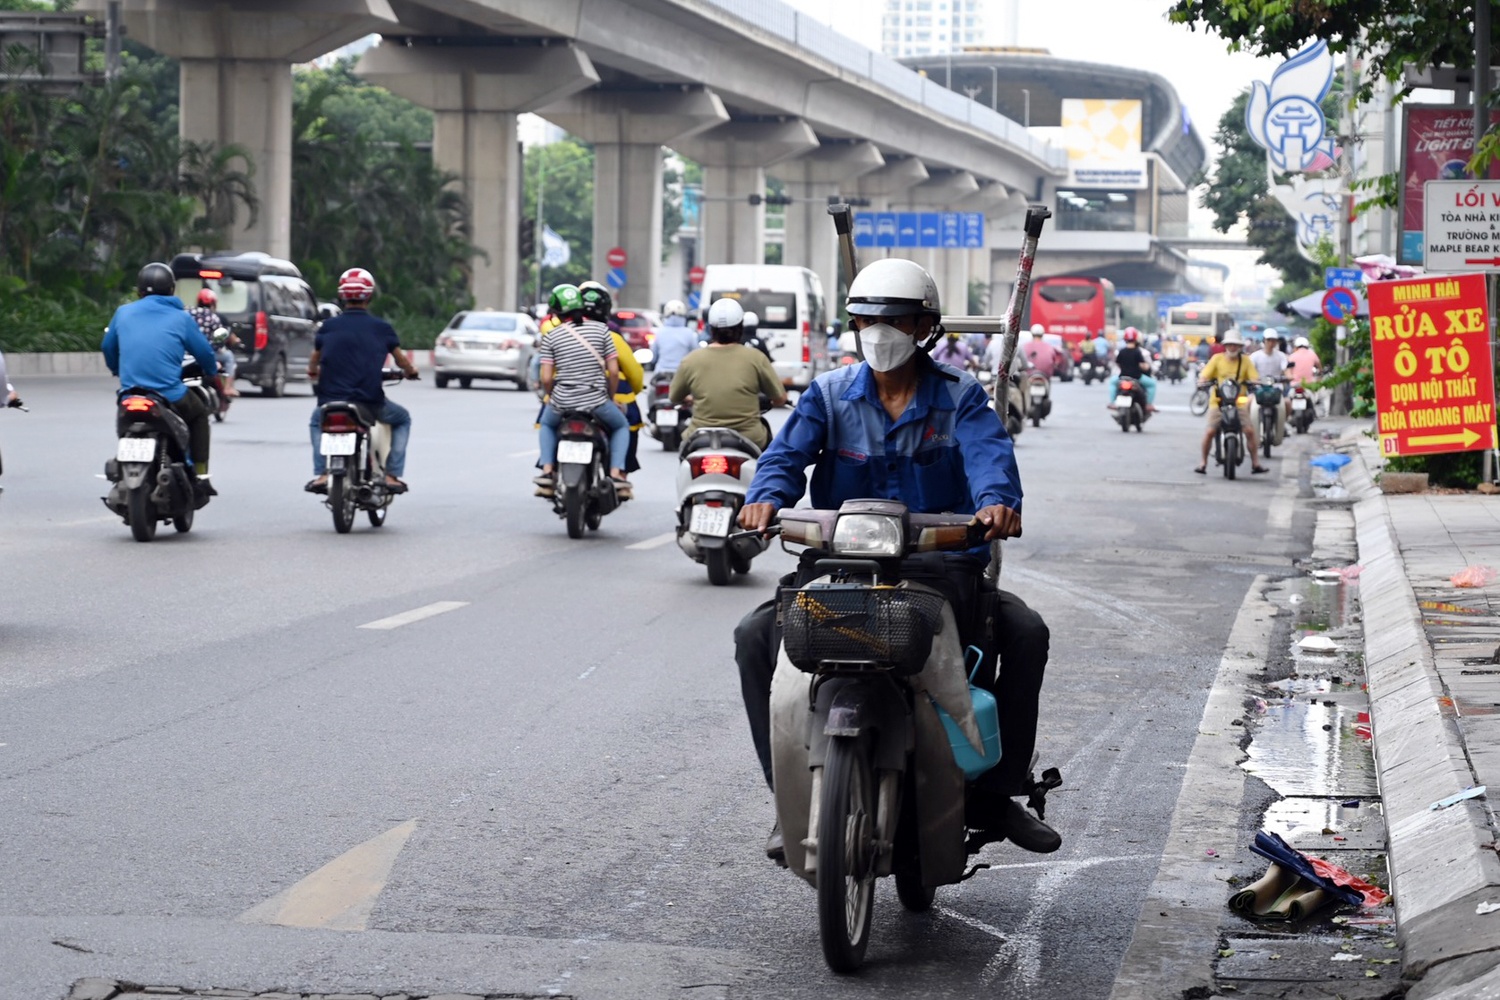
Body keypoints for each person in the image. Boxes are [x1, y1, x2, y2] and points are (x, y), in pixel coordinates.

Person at [733, 257, 1058, 860]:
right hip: (840, 567)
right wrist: (763, 499)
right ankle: (788, 797)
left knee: (1025, 632)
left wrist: (995, 506)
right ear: (853, 326)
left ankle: (996, 792)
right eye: (868, 321)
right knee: (754, 635)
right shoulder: (828, 394)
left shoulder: (960, 399)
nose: (882, 333)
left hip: (942, 568)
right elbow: (783, 458)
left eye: (898, 320)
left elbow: (991, 460)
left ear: (925, 327)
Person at [102, 262, 221, 500]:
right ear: (171, 290)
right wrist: (211, 373)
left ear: (139, 291)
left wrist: (116, 369)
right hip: (170, 395)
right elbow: (206, 353)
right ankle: (201, 474)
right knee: (199, 414)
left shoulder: (123, 313)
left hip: (130, 394)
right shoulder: (181, 318)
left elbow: (108, 347)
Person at [304, 267, 418, 495]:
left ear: (342, 296)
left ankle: (322, 473)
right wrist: (410, 372)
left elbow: (314, 359)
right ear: (369, 295)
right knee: (403, 418)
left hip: (330, 401)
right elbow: (401, 359)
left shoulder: (328, 327)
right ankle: (392, 474)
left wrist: (313, 372)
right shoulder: (381, 328)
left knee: (317, 422)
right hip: (369, 402)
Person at [533, 283, 632, 498]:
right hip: (597, 403)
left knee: (547, 424)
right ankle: (616, 474)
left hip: (562, 403)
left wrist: (553, 395)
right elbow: (614, 372)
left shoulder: (552, 336)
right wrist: (610, 397)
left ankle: (548, 471)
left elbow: (546, 377)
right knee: (621, 426)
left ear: (556, 312)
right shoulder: (602, 331)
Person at [668, 298, 787, 450]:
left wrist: (691, 398)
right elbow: (780, 398)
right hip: (750, 437)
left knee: (684, 460)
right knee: (769, 463)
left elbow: (674, 397)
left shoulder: (691, 360)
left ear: (711, 329)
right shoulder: (756, 358)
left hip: (700, 436)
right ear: (740, 328)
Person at [581, 281, 645, 475]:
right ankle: (620, 474)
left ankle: (547, 468)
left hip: (565, 400)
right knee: (628, 423)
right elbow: (634, 374)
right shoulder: (612, 337)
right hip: (605, 400)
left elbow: (547, 376)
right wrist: (629, 392)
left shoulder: (560, 333)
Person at [1195, 329, 1268, 475]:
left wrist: (1255, 383)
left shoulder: (1246, 361)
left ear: (1240, 346)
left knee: (1249, 430)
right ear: (1225, 345)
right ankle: (1203, 463)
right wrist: (1203, 381)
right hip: (1218, 402)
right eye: (1230, 345)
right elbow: (1204, 376)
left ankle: (1255, 463)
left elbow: (1254, 378)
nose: (1232, 347)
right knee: (1210, 431)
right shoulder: (1216, 359)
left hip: (1239, 402)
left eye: (1235, 345)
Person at [188, 288, 240, 397]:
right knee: (229, 356)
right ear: (213, 303)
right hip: (207, 353)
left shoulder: (188, 312)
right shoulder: (214, 317)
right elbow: (221, 338)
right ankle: (227, 388)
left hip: (187, 353)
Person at [1251, 329, 1291, 443]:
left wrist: (1289, 376)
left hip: (1276, 389)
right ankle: (1249, 428)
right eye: (1269, 340)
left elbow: (1286, 369)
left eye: (1273, 340)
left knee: (1287, 403)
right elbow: (1250, 372)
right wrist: (1253, 380)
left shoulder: (1281, 356)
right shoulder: (1255, 356)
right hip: (1259, 389)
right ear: (1264, 340)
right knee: (1248, 404)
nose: (1271, 343)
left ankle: (1282, 424)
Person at [1107, 327, 1157, 409]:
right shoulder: (1138, 352)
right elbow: (1142, 365)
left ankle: (1112, 403)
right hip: (1137, 377)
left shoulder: (1121, 351)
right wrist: (1146, 367)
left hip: (1122, 376)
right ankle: (1148, 405)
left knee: (1112, 382)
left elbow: (1118, 363)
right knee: (1152, 384)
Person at [653, 299, 699, 374]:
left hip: (661, 374)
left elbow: (654, 356)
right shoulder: (689, 333)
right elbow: (695, 355)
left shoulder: (660, 332)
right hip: (682, 374)